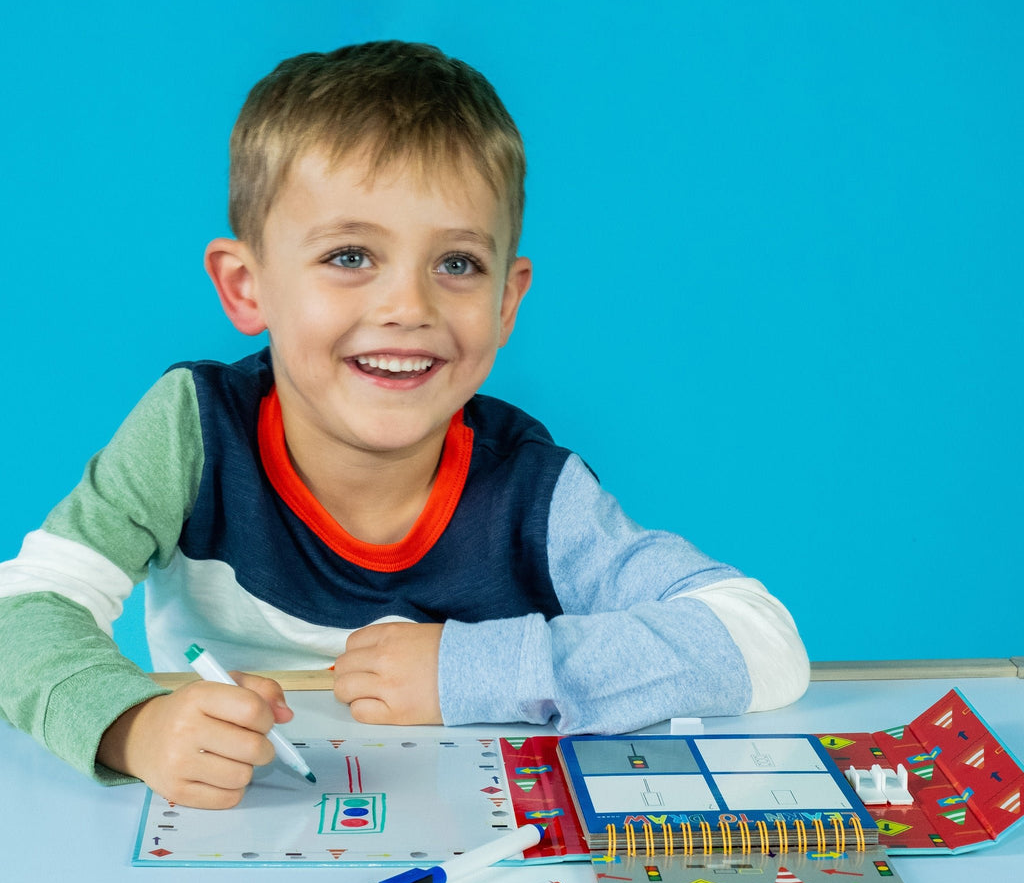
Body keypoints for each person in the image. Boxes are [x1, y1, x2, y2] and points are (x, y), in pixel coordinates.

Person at [0, 41, 809, 810]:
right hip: (236, 826)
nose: (408, 308)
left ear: (506, 302)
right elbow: (22, 607)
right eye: (350, 255)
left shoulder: (534, 492)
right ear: (247, 287)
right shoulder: (194, 431)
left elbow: (756, 640)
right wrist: (132, 726)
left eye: (457, 264)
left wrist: (474, 672)